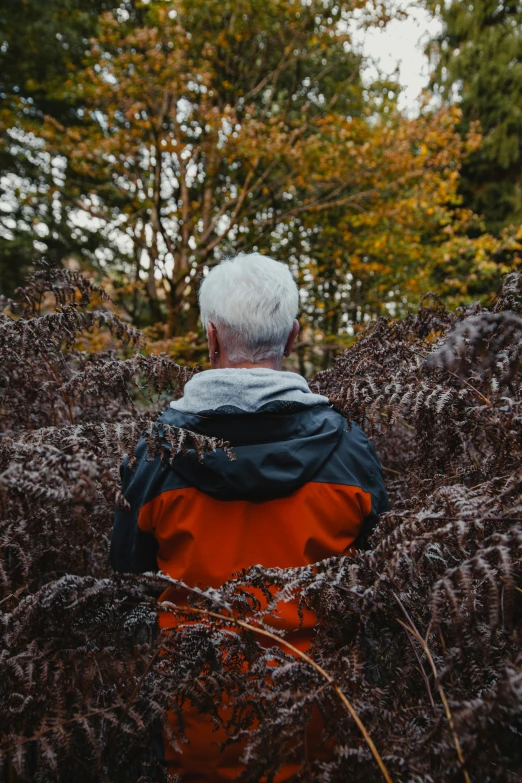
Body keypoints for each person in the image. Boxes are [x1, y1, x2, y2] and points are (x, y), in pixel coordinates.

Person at [110, 252, 389, 781]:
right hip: (322, 736)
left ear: (211, 337)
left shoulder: (154, 459)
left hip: (192, 738)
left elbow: (126, 591)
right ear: (293, 338)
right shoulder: (351, 455)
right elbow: (382, 598)